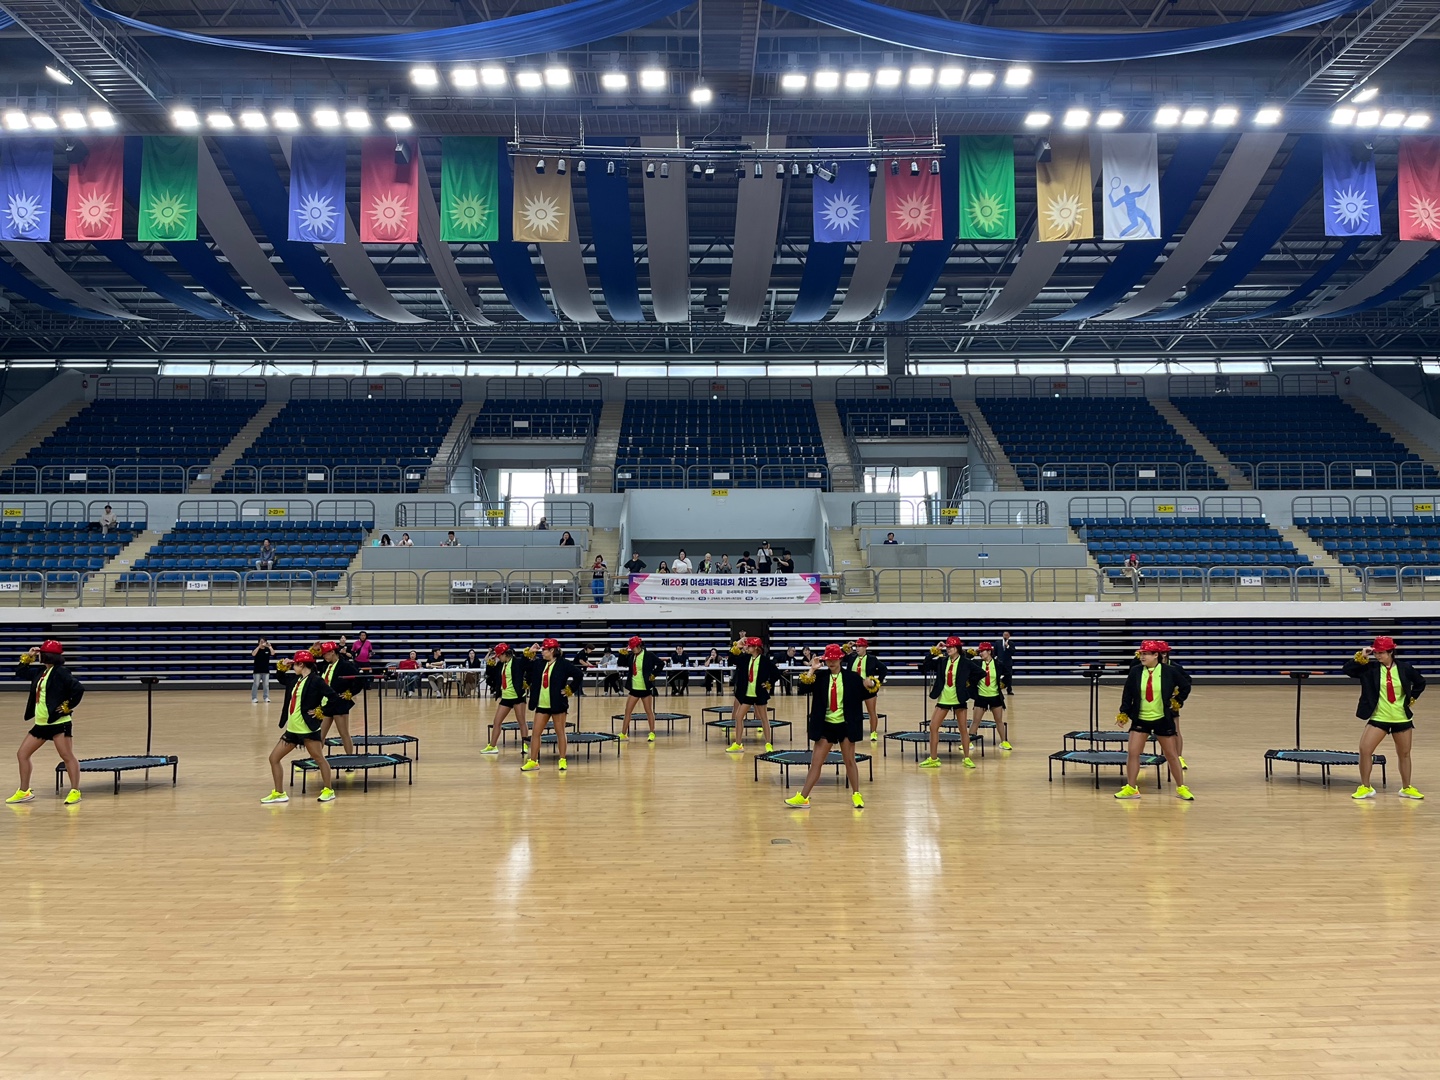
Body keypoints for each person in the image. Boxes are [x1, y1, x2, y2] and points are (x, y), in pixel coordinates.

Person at [785, 644, 877, 809]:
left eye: (834, 659)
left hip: (846, 725)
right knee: (816, 763)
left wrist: (871, 684)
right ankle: (803, 797)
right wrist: (812, 669)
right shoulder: (820, 677)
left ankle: (856, 794)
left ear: (840, 659)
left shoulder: (852, 677)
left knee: (849, 761)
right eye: (828, 660)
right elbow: (802, 688)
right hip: (826, 725)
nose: (831, 662)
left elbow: (868, 692)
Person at [1345, 635, 1426, 800]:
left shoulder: (1405, 668)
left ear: (1391, 652)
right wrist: (1361, 656)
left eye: (1381, 653)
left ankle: (1406, 787)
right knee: (1365, 750)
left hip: (1401, 718)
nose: (1378, 656)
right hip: (1379, 717)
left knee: (1404, 754)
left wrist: (1412, 698)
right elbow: (1348, 670)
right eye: (1376, 652)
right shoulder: (1370, 669)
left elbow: (1420, 682)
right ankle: (1365, 787)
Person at [1113, 640, 1193, 801]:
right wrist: (1124, 713)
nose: (1142, 657)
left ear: (1156, 655)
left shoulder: (1170, 671)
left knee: (1171, 755)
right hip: (1141, 718)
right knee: (1133, 753)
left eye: (1146, 654)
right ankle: (1131, 788)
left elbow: (1186, 686)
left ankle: (1181, 788)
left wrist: (1177, 701)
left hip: (1162, 718)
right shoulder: (1135, 671)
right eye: (1141, 654)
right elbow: (1127, 693)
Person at [7, 641, 85, 805]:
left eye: (41, 653)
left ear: (48, 655)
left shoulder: (61, 672)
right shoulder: (41, 672)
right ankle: (24, 791)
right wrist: (28, 657)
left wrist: (67, 706)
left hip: (59, 722)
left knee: (66, 756)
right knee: (22, 754)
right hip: (41, 723)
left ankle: (75, 791)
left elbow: (78, 689)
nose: (39, 655)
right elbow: (20, 672)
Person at [262, 650, 339, 804]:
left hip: (307, 729)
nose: (293, 668)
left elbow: (333, 697)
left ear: (301, 664)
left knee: (319, 759)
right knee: (274, 758)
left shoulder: (316, 680)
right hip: (292, 730)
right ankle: (279, 793)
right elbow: (281, 678)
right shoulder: (296, 680)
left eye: (294, 665)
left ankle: (328, 790)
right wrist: (282, 667)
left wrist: (321, 711)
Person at [521, 638, 583, 774]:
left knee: (560, 732)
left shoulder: (563, 664)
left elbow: (579, 675)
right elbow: (523, 666)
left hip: (557, 704)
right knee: (536, 733)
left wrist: (570, 689)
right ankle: (533, 761)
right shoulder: (539, 663)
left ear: (552, 650)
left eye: (544, 650)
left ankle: (562, 759)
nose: (542, 652)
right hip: (542, 704)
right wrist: (530, 652)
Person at [919, 637, 977, 769]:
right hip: (944, 698)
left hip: (959, 699)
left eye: (951, 647)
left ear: (957, 648)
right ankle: (933, 758)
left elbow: (980, 674)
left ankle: (967, 758)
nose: (948, 649)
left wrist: (967, 686)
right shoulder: (942, 661)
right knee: (933, 727)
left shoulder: (965, 662)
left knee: (963, 729)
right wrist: (934, 651)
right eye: (947, 647)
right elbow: (925, 666)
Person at [727, 636, 779, 753]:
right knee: (738, 717)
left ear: (756, 647)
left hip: (759, 693)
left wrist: (769, 683)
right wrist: (737, 646)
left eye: (749, 646)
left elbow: (776, 673)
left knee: (764, 718)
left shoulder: (765, 660)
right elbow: (731, 659)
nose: (747, 648)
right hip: (747, 694)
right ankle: (738, 744)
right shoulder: (745, 659)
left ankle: (768, 744)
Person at [315, 641, 362, 756]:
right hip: (327, 703)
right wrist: (314, 650)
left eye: (325, 654)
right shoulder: (325, 665)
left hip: (340, 704)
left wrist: (350, 693)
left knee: (343, 733)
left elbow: (360, 679)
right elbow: (310, 664)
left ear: (332, 652)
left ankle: (350, 759)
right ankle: (316, 760)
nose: (324, 656)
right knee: (320, 735)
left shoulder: (345, 665)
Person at [481, 643, 530, 754]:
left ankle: (525, 745)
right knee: (497, 721)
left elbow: (528, 665)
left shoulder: (517, 662)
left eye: (499, 655)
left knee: (521, 721)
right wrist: (491, 663)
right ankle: (492, 746)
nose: (498, 657)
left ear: (505, 654)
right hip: (506, 697)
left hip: (517, 697)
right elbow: (489, 674)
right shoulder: (501, 665)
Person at [618, 636, 664, 741]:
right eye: (631, 648)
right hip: (634, 689)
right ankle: (623, 733)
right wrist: (622, 654)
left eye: (633, 647)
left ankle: (652, 732)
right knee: (627, 711)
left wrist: (654, 674)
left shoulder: (649, 655)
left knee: (649, 711)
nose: (632, 650)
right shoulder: (631, 656)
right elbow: (621, 664)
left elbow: (661, 664)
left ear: (639, 646)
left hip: (645, 689)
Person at [967, 641, 1011, 751]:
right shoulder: (976, 663)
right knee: (975, 721)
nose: (980, 653)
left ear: (989, 651)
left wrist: (1003, 684)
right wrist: (970, 654)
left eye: (982, 651)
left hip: (995, 696)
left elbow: (1008, 674)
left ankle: (1004, 742)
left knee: (999, 721)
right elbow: (964, 662)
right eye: (979, 651)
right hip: (981, 696)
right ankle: (968, 742)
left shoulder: (998, 664)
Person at [845, 638, 888, 743]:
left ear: (865, 647)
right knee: (850, 712)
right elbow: (840, 657)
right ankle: (851, 731)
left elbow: (883, 669)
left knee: (871, 711)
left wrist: (877, 682)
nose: (857, 648)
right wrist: (847, 646)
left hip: (868, 688)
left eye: (859, 646)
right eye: (856, 646)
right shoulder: (851, 657)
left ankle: (873, 732)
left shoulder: (872, 659)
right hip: (854, 688)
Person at [251, 637, 275, 705]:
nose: (262, 643)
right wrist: (259, 646)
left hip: (266, 670)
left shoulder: (267, 649)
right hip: (257, 670)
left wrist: (270, 646)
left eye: (263, 641)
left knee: (266, 685)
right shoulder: (256, 649)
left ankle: (266, 697)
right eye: (261, 641)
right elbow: (253, 654)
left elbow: (273, 653)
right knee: (256, 684)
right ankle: (254, 698)